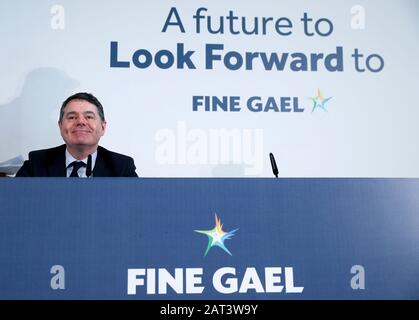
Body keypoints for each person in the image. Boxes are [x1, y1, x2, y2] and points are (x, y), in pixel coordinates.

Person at [16, 92, 138, 177]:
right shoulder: (36, 164)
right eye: (72, 117)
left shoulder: (122, 167)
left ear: (103, 127)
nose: (80, 122)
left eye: (89, 117)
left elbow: (134, 208)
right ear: (60, 126)